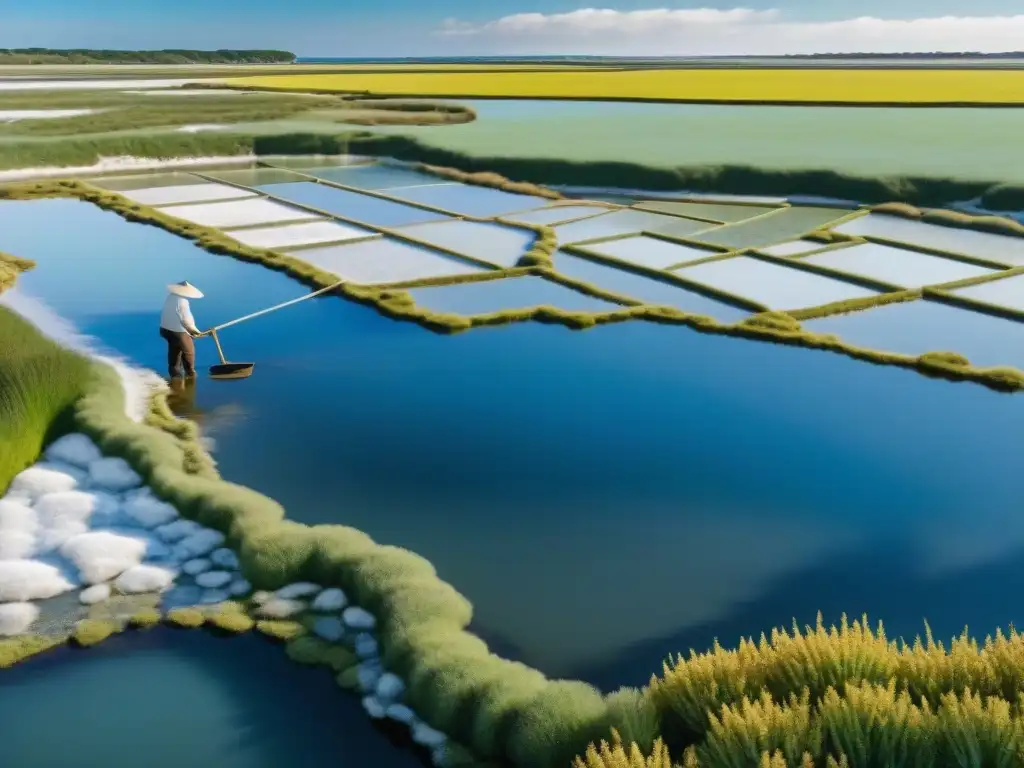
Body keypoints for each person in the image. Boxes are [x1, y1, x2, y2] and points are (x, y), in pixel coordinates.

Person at [159, 281, 204, 379]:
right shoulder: (182, 301)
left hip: (166, 329)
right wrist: (195, 331)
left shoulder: (170, 296)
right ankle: (190, 374)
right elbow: (186, 320)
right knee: (189, 352)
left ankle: (175, 376)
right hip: (178, 332)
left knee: (175, 349)